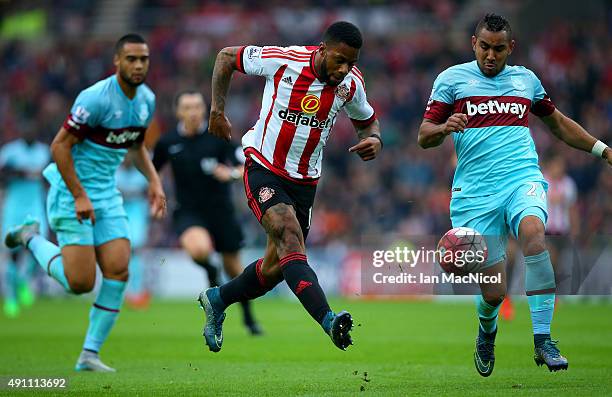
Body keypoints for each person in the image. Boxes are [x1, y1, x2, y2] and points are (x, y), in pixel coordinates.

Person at [418, 13, 611, 376]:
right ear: (474, 44)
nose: (491, 56)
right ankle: (486, 332)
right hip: (475, 194)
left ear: (511, 48)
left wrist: (603, 150)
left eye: (499, 49)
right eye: (485, 47)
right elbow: (423, 136)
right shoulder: (451, 80)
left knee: (535, 237)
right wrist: (445, 127)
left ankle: (543, 340)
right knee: (493, 293)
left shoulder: (526, 81)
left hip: (521, 179)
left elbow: (558, 124)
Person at [199, 21, 382, 353]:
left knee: (274, 270)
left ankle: (218, 298)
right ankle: (329, 320)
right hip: (263, 167)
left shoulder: (350, 86)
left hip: (305, 183)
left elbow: (367, 120)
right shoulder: (284, 60)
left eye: (351, 63)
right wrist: (217, 111)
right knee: (288, 235)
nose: (344, 69)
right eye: (339, 60)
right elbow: (226, 56)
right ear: (322, 49)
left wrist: (373, 139)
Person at [4, 34, 166, 372]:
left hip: (107, 193)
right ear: (117, 62)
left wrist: (154, 180)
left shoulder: (146, 100)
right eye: (131, 59)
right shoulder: (95, 99)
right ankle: (30, 237)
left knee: (118, 268)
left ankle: (89, 354)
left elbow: (135, 147)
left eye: (144, 59)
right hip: (70, 192)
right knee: (80, 283)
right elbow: (60, 146)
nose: (138, 65)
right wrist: (79, 195)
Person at [153, 90, 261, 334]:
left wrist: (231, 174)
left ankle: (248, 317)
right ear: (178, 112)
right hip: (188, 211)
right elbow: (152, 170)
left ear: (204, 110)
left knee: (235, 270)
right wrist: (156, 191)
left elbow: (245, 161)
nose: (193, 112)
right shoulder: (167, 142)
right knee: (199, 250)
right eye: (187, 107)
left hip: (221, 210)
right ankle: (211, 271)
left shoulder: (217, 137)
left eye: (197, 107)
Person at [0, 125, 50, 317]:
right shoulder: (10, 151)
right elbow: (2, 174)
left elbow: (50, 176)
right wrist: (18, 173)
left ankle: (23, 279)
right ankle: (11, 299)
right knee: (12, 254)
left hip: (35, 207)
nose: (29, 133)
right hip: (14, 208)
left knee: (38, 248)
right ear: (22, 132)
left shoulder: (43, 152)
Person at [116, 160, 151, 309]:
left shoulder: (140, 174)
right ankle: (130, 291)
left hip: (137, 216)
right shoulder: (115, 173)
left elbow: (147, 190)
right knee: (123, 254)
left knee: (134, 252)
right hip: (119, 217)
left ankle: (135, 291)